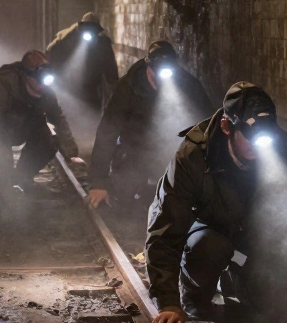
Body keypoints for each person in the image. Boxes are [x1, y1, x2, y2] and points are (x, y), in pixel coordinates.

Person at [145, 82, 287, 323]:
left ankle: (238, 283)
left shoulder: (285, 151)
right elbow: (166, 228)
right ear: (226, 127)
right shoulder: (193, 156)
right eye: (249, 136)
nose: (258, 145)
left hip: (254, 233)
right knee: (211, 247)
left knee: (274, 305)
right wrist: (168, 302)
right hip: (208, 228)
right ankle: (195, 295)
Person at [88, 41, 215, 210]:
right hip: (135, 151)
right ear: (148, 67)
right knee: (123, 195)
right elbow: (107, 132)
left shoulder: (189, 86)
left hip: (171, 152)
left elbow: (208, 126)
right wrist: (98, 182)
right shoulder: (128, 87)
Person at [0, 50, 85, 198]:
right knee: (1, 165)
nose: (42, 85)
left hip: (19, 127)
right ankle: (2, 183)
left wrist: (71, 154)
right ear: (26, 76)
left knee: (49, 139)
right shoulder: (4, 87)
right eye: (38, 79)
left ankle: (21, 178)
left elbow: (58, 118)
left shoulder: (46, 93)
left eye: (44, 80)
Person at [45, 12, 119, 112]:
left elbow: (110, 66)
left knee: (92, 113)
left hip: (92, 87)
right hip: (71, 86)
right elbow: (52, 53)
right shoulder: (68, 38)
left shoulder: (102, 43)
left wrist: (114, 87)